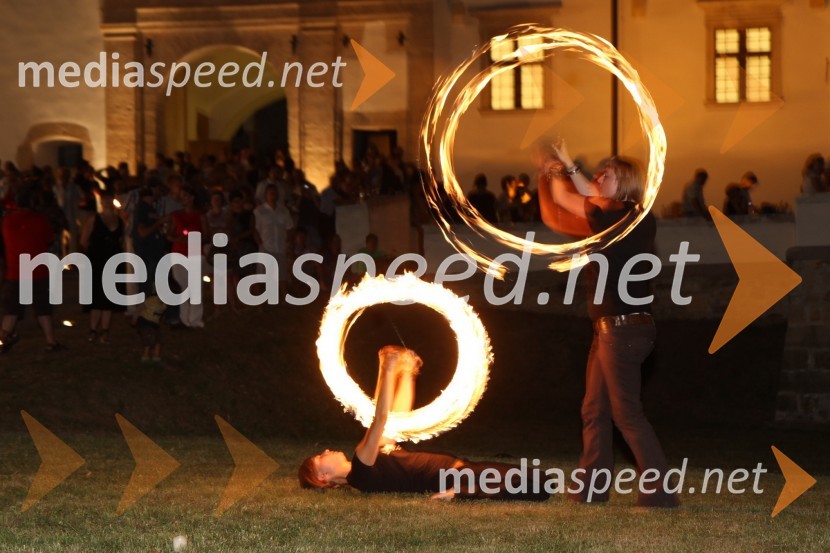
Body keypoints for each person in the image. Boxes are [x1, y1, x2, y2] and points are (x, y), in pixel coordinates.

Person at [537, 140, 677, 508]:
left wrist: (559, 169)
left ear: (626, 182)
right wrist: (562, 165)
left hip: (625, 329)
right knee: (593, 411)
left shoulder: (631, 217)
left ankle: (660, 491)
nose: (598, 177)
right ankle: (591, 489)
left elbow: (571, 199)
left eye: (607, 173)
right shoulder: (610, 217)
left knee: (625, 413)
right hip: (607, 331)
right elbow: (576, 199)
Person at [298, 345, 551, 501]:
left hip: (459, 469)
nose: (326, 451)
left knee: (538, 484)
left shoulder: (366, 466)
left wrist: (407, 373)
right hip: (454, 477)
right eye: (320, 457)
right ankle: (462, 494)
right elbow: (380, 418)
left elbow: (394, 417)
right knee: (537, 483)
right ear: (323, 477)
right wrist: (386, 367)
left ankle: (466, 491)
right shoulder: (361, 472)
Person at [0, 185, 64, 354]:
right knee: (43, 309)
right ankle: (51, 342)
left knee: (12, 311)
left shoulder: (8, 221)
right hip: (37, 271)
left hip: (15, 271)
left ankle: (2, 341)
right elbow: (49, 238)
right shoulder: (39, 219)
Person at [80, 189, 126, 344]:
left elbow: (123, 240)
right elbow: (84, 240)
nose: (106, 203)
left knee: (109, 296)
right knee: (97, 295)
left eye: (109, 200)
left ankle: (105, 330)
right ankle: (93, 329)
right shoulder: (94, 219)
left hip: (113, 260)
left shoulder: (119, 220)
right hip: (97, 260)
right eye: (104, 200)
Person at [167, 186, 207, 328]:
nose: (183, 199)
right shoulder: (175, 215)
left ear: (192, 198)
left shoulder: (200, 215)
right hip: (179, 252)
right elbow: (169, 234)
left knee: (196, 287)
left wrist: (195, 238)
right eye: (182, 197)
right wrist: (178, 239)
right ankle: (184, 318)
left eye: (186, 196)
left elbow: (206, 235)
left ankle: (195, 319)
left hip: (195, 252)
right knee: (182, 287)